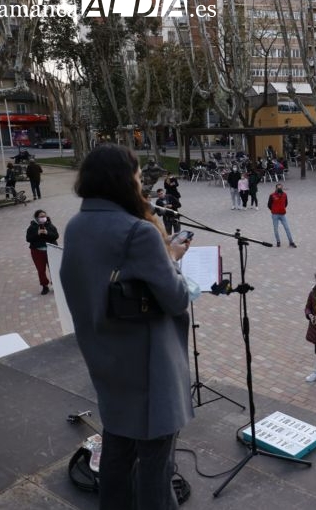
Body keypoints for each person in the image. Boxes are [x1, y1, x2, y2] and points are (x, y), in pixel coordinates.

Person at [60, 143, 193, 509]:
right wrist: (172, 258)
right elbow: (177, 298)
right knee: (156, 466)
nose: (141, 183)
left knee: (117, 449)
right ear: (124, 180)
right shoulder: (139, 232)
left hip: (104, 354)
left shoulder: (77, 225)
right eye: (136, 176)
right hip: (148, 366)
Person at [26, 209, 59, 294]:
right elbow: (28, 239)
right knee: (41, 270)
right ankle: (45, 286)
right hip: (37, 252)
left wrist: (47, 232)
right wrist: (37, 233)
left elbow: (56, 236)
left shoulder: (50, 225)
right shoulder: (32, 227)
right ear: (37, 218)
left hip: (51, 251)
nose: (43, 218)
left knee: (53, 269)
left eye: (44, 216)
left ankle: (55, 284)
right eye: (41, 216)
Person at [267, 183, 297, 248]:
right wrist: (274, 210)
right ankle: (278, 241)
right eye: (278, 188)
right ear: (276, 188)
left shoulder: (285, 195)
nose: (279, 189)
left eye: (280, 187)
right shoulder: (272, 195)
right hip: (275, 214)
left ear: (282, 188)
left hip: (282, 214)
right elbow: (269, 205)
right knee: (276, 229)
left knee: (287, 228)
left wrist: (282, 208)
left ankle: (291, 242)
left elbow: (286, 203)